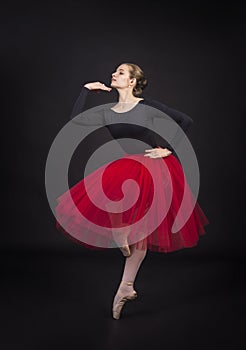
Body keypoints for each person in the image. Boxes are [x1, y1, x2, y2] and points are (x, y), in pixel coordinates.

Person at [55, 62, 209, 320]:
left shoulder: (147, 106)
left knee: (140, 231)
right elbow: (74, 122)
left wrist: (168, 149)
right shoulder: (107, 112)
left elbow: (186, 120)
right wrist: (85, 90)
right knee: (118, 202)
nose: (114, 74)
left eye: (121, 72)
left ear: (133, 82)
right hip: (129, 168)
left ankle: (125, 274)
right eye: (115, 71)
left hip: (155, 167)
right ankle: (125, 276)